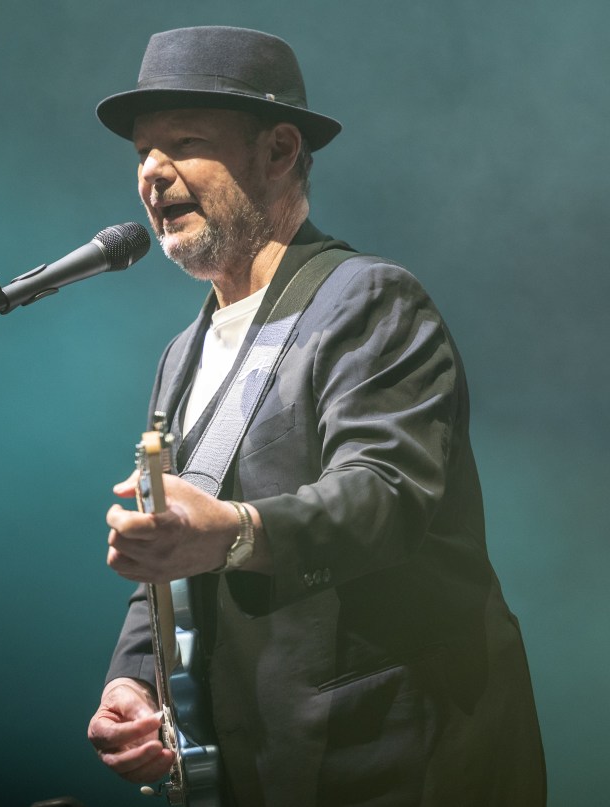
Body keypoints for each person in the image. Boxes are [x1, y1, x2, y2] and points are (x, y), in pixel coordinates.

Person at [85, 26, 545, 806]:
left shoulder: (365, 299)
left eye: (185, 143)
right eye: (141, 153)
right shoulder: (180, 355)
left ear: (279, 150)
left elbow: (385, 493)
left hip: (397, 756)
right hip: (262, 766)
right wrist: (133, 678)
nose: (152, 173)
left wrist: (234, 530)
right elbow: (177, 541)